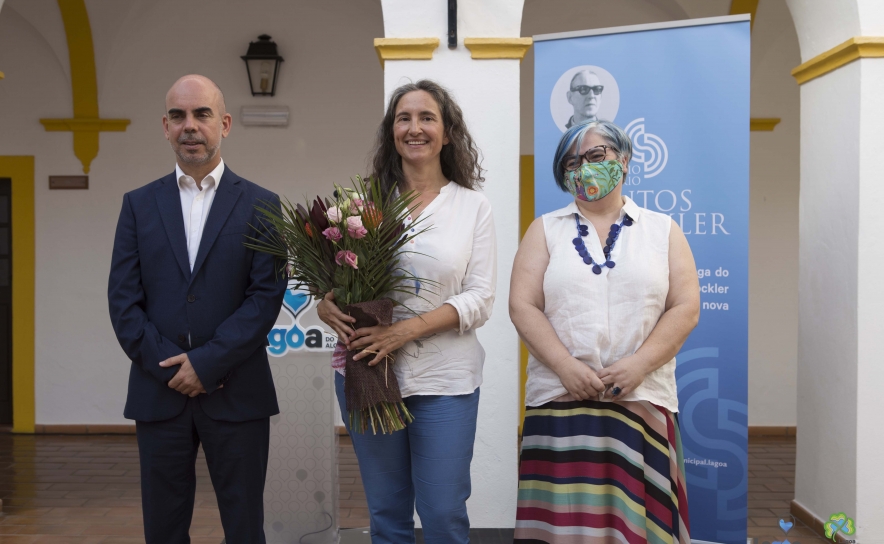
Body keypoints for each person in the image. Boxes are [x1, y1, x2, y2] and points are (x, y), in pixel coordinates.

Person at [107, 74, 286, 544]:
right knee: (163, 530)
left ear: (224, 124)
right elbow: (124, 303)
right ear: (164, 127)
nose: (190, 125)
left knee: (245, 528)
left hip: (238, 393)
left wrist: (206, 364)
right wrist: (172, 369)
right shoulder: (138, 206)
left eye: (202, 114)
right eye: (178, 116)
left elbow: (264, 299)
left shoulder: (263, 206)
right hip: (159, 393)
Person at [317, 79, 496, 544]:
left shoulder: (472, 207)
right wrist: (326, 303)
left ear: (448, 132)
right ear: (391, 132)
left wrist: (404, 332)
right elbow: (340, 278)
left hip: (445, 381)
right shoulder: (364, 207)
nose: (414, 128)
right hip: (370, 374)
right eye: (404, 118)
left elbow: (480, 298)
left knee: (441, 512)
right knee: (387, 513)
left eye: (427, 117)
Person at [509, 120, 699, 543]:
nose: (584, 169)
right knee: (563, 527)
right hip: (561, 401)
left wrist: (638, 365)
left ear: (624, 160)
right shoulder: (544, 230)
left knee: (638, 527)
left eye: (596, 157)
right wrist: (564, 366)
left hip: (641, 401)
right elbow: (523, 306)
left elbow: (685, 308)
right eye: (572, 162)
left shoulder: (662, 230)